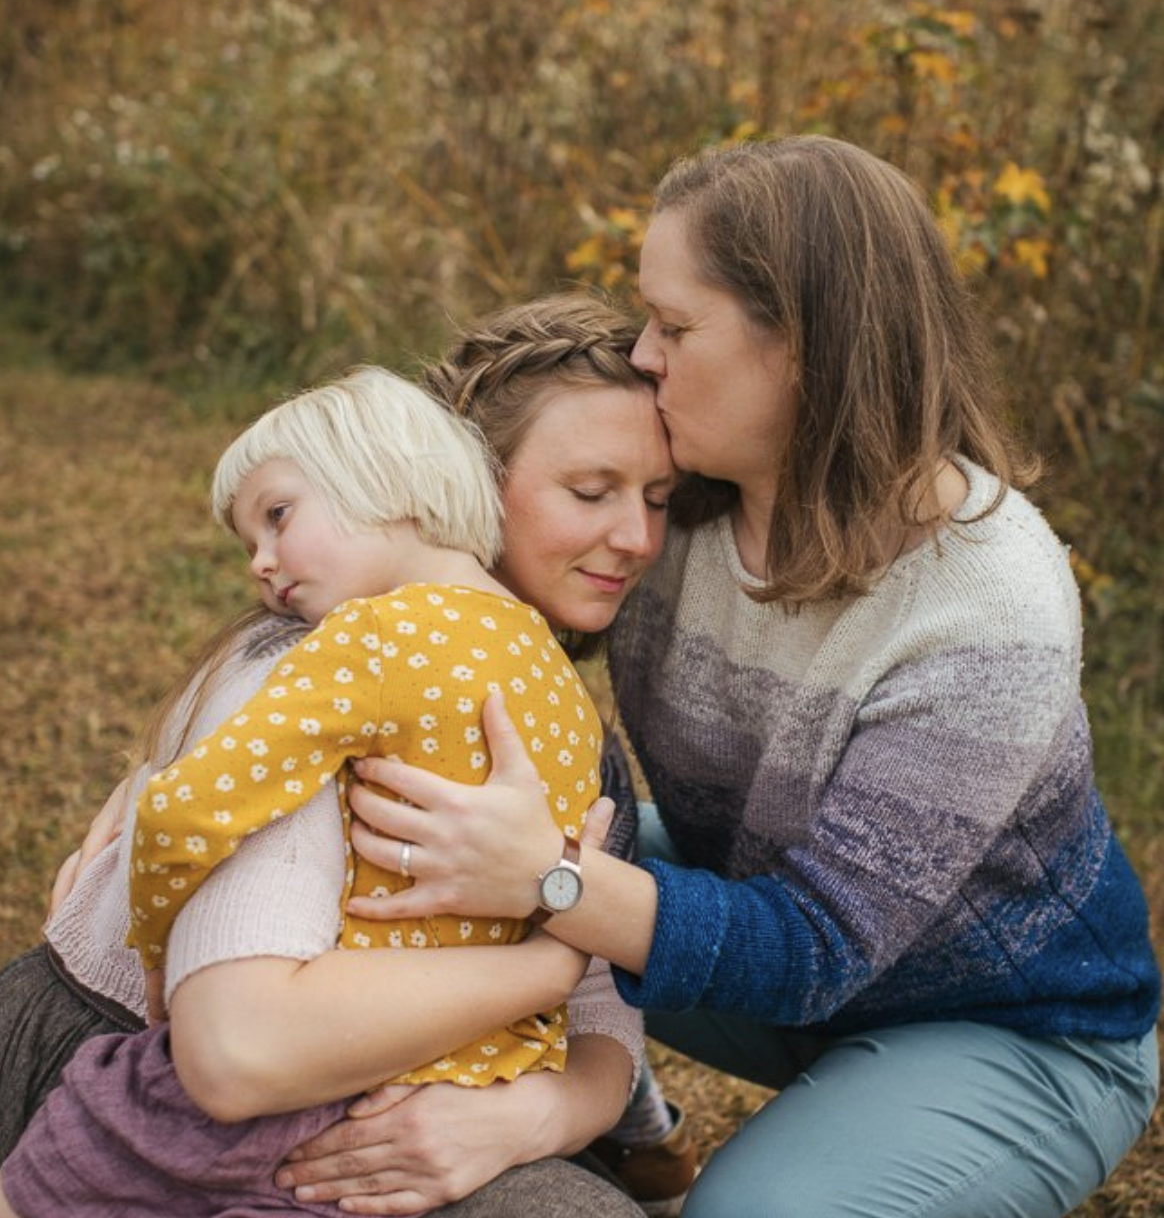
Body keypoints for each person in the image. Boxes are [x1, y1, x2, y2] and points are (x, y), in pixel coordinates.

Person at [335, 136, 1162, 1218]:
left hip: (1007, 1022)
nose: (642, 355)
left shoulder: (987, 605)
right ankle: (617, 1120)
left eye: (676, 327)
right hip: (767, 920)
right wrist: (184, 767)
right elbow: (414, 574)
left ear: (807, 346)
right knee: (424, 827)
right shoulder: (681, 502)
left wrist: (552, 878)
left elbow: (813, 948)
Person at [0, 294, 674, 1216]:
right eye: (590, 493)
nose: (636, 538)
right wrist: (546, 965)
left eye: (659, 501)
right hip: (138, 1066)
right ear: (461, 476)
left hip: (361, 1096)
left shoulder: (558, 711)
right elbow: (236, 1052)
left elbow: (604, 1029)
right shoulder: (316, 656)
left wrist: (537, 1115)